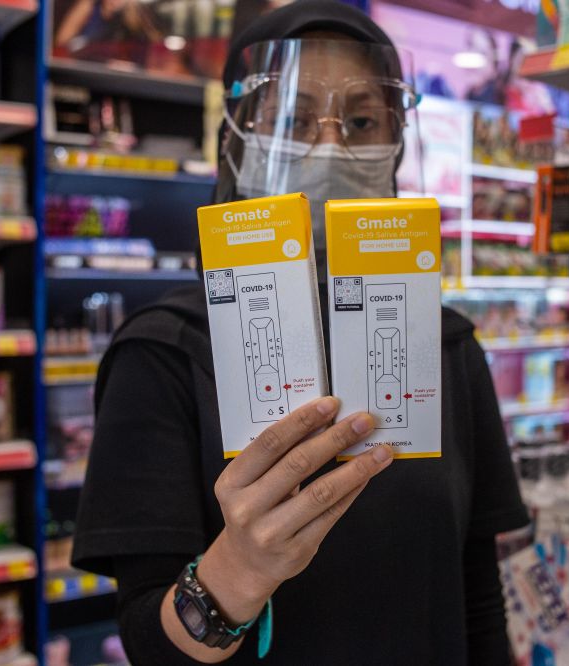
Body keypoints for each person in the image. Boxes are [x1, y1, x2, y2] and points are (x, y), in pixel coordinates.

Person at [72, 2, 529, 663]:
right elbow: (148, 644)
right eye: (291, 118)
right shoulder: (165, 350)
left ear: (395, 140)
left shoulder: (448, 345)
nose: (330, 143)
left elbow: (477, 598)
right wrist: (236, 573)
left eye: (363, 120)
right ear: (235, 137)